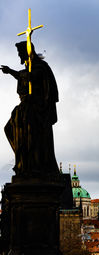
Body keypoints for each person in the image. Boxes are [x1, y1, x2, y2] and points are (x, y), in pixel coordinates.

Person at [1, 41, 59, 177]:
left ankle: (32, 164)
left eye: (20, 53)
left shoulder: (40, 67)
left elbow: (31, 76)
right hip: (25, 107)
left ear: (26, 52)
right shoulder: (29, 68)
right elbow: (24, 75)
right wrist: (10, 72)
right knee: (8, 129)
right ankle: (23, 160)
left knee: (32, 136)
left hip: (36, 108)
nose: (19, 56)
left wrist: (14, 72)